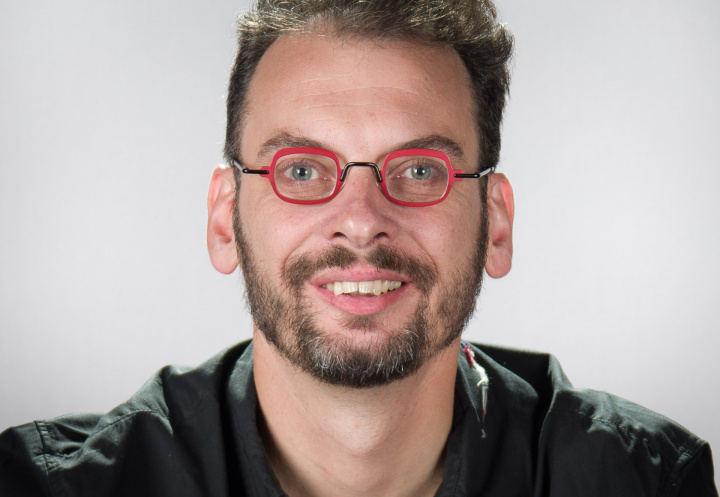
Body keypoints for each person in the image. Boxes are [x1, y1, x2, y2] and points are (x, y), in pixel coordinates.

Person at [0, 0, 716, 495]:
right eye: (302, 171)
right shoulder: (52, 488)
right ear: (225, 219)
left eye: (420, 171)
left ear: (495, 225)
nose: (361, 221)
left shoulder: (643, 481)